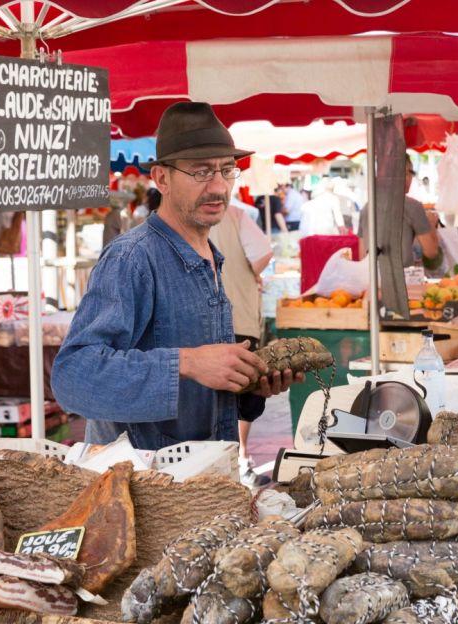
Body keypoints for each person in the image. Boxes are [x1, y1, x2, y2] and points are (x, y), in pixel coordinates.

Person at [51, 102, 300, 450]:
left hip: (203, 484)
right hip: (142, 488)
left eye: (226, 170)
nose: (218, 186)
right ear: (162, 178)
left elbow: (201, 390)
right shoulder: (132, 258)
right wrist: (188, 362)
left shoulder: (210, 256)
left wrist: (248, 386)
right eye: (201, 172)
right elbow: (74, 376)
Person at [208, 201, 274, 486]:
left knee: (225, 396)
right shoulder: (235, 215)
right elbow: (262, 253)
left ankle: (224, 465)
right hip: (240, 318)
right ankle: (241, 458)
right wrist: (252, 273)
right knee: (244, 390)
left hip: (207, 326)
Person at [357, 155, 442, 270]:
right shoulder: (412, 207)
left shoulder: (366, 208)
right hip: (402, 281)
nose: (408, 177)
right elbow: (431, 253)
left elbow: (362, 256)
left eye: (410, 173)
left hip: (371, 280)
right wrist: (431, 224)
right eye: (407, 173)